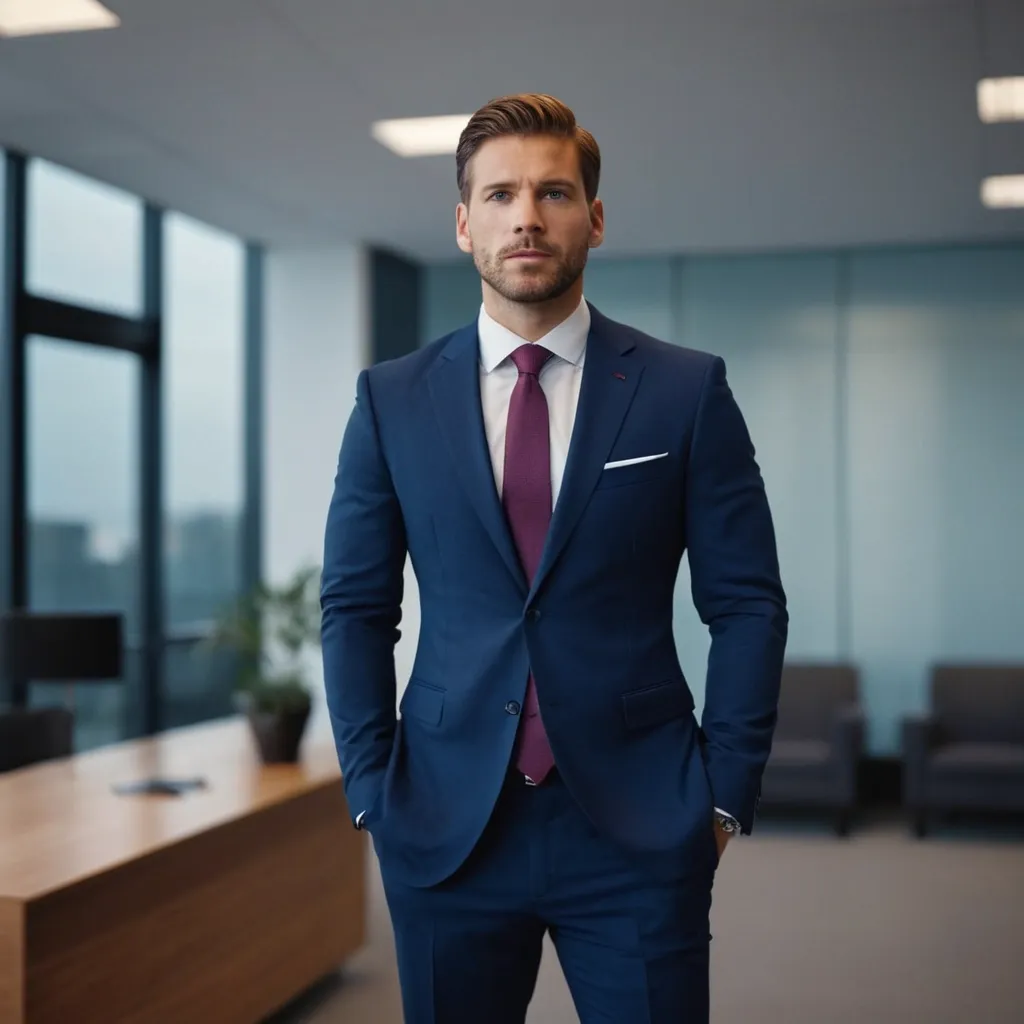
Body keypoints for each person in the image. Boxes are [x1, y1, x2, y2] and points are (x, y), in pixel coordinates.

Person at [321, 93, 787, 1024]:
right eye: (498, 196)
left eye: (553, 192)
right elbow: (357, 609)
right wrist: (371, 792)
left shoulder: (685, 391)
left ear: (595, 218)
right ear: (463, 224)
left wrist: (724, 796)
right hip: (447, 823)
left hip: (639, 825)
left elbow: (746, 605)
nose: (525, 216)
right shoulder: (392, 400)